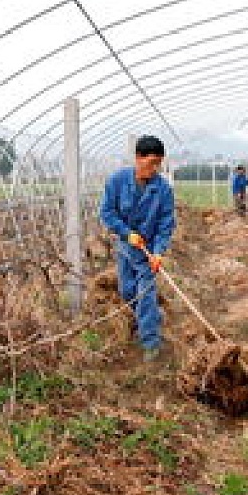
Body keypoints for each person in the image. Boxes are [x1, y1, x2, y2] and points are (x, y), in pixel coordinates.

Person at [100, 135, 176, 361]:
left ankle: (151, 342)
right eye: (151, 162)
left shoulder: (163, 190)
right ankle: (147, 319)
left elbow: (166, 223)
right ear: (138, 158)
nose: (154, 168)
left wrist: (159, 252)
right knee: (127, 292)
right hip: (126, 249)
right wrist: (126, 233)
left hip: (149, 252)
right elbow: (107, 213)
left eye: (158, 164)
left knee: (145, 294)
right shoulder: (117, 181)